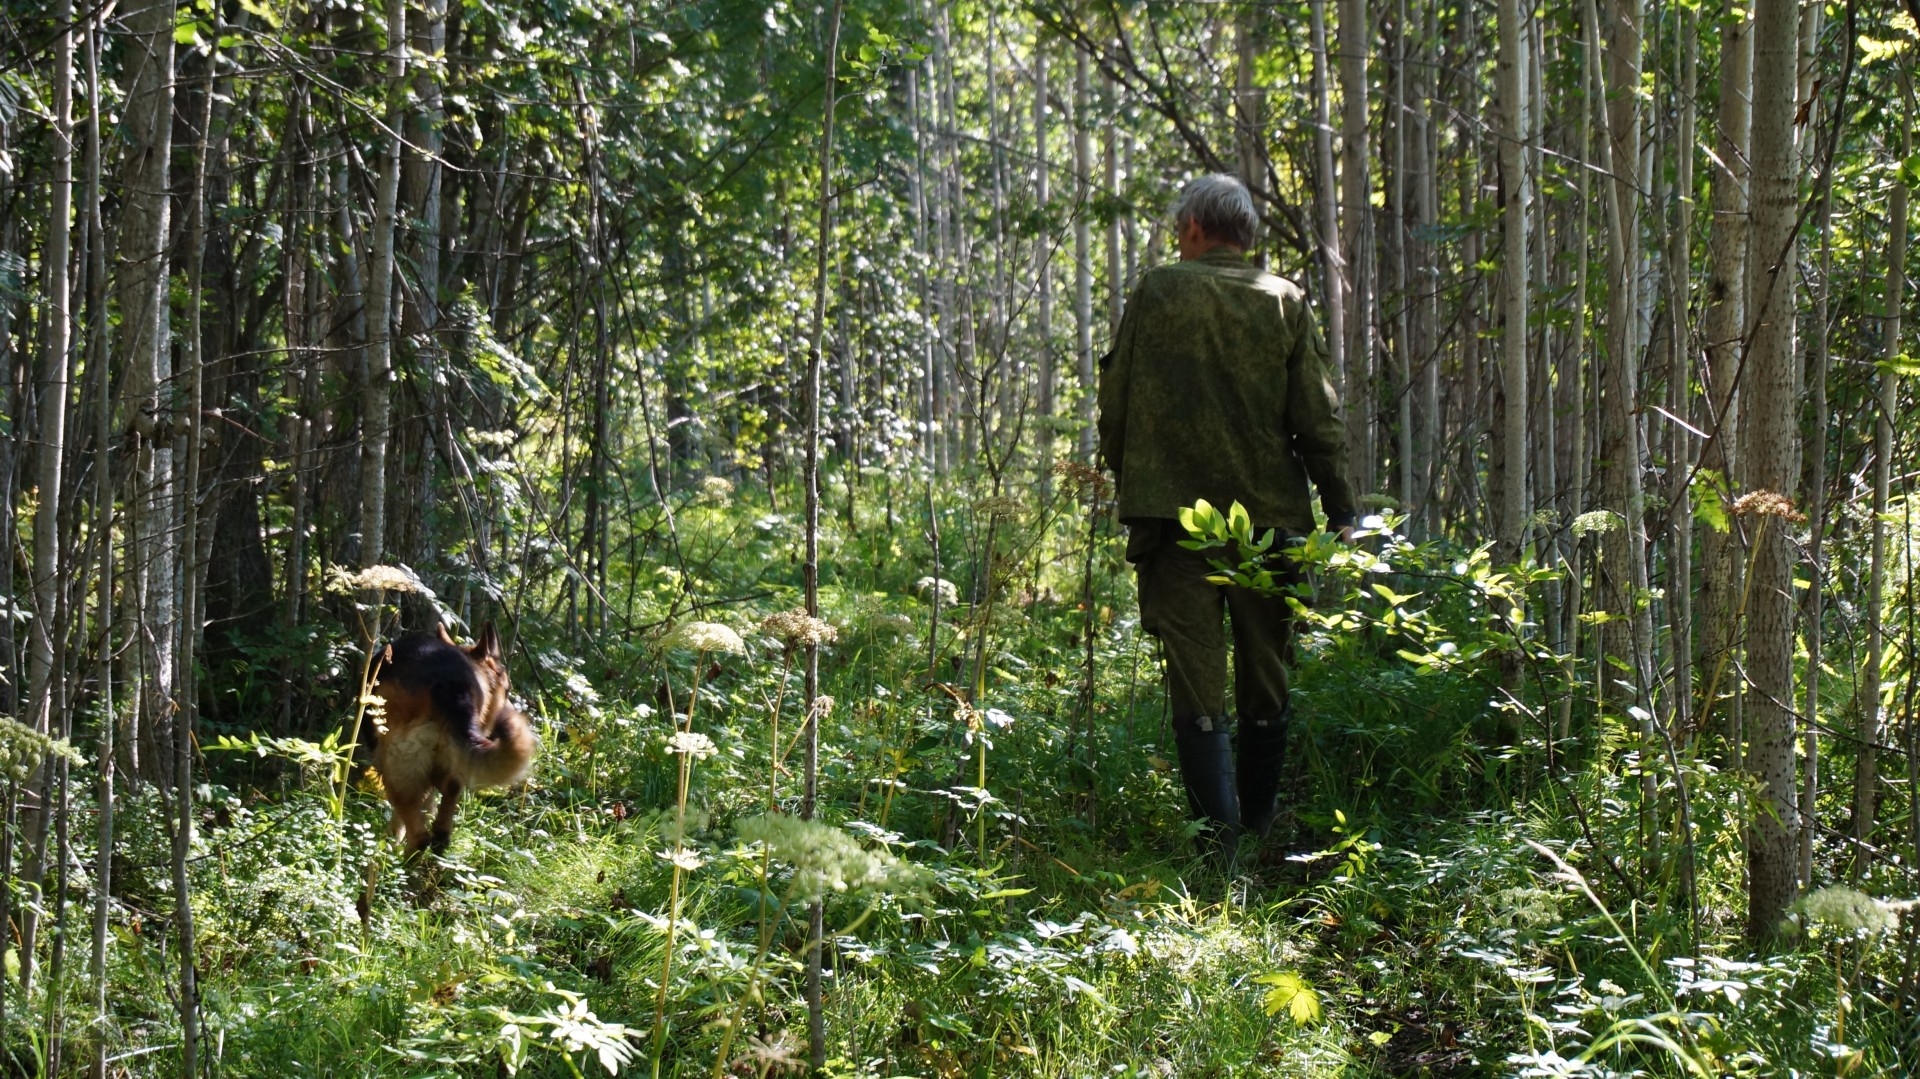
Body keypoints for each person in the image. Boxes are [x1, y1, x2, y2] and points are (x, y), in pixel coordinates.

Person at [1096, 173, 1356, 864]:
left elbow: (1115, 405)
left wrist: (1130, 476)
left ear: (1193, 230)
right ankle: (1262, 826)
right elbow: (1318, 422)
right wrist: (1343, 508)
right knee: (1265, 678)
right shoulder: (1285, 301)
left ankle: (1222, 851)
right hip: (1270, 525)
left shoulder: (1156, 291)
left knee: (1197, 684)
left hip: (1176, 526)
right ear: (1246, 236)